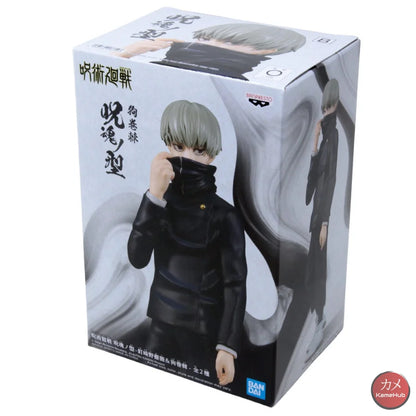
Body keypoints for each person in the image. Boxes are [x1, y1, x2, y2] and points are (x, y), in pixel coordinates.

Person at [127, 100, 247, 386]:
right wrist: (153, 196)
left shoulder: (225, 215)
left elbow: (235, 284)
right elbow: (137, 257)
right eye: (178, 147)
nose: (187, 157)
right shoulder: (159, 201)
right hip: (160, 325)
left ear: (212, 155)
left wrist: (227, 347)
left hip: (204, 332)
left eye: (199, 151)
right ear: (167, 146)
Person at [116, 23, 306, 80]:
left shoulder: (230, 82)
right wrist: (129, 54)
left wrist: (124, 56)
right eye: (205, 39)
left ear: (265, 50)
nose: (207, 45)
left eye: (229, 42)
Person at [305, 79, 339, 356]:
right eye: (324, 106)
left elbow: (329, 179)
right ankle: (318, 318)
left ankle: (320, 320)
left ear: (335, 104)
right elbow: (316, 176)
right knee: (313, 267)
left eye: (329, 106)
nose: (326, 111)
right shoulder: (326, 134)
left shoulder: (334, 134)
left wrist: (325, 222)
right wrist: (315, 142)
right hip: (317, 214)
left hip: (321, 216)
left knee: (317, 267)